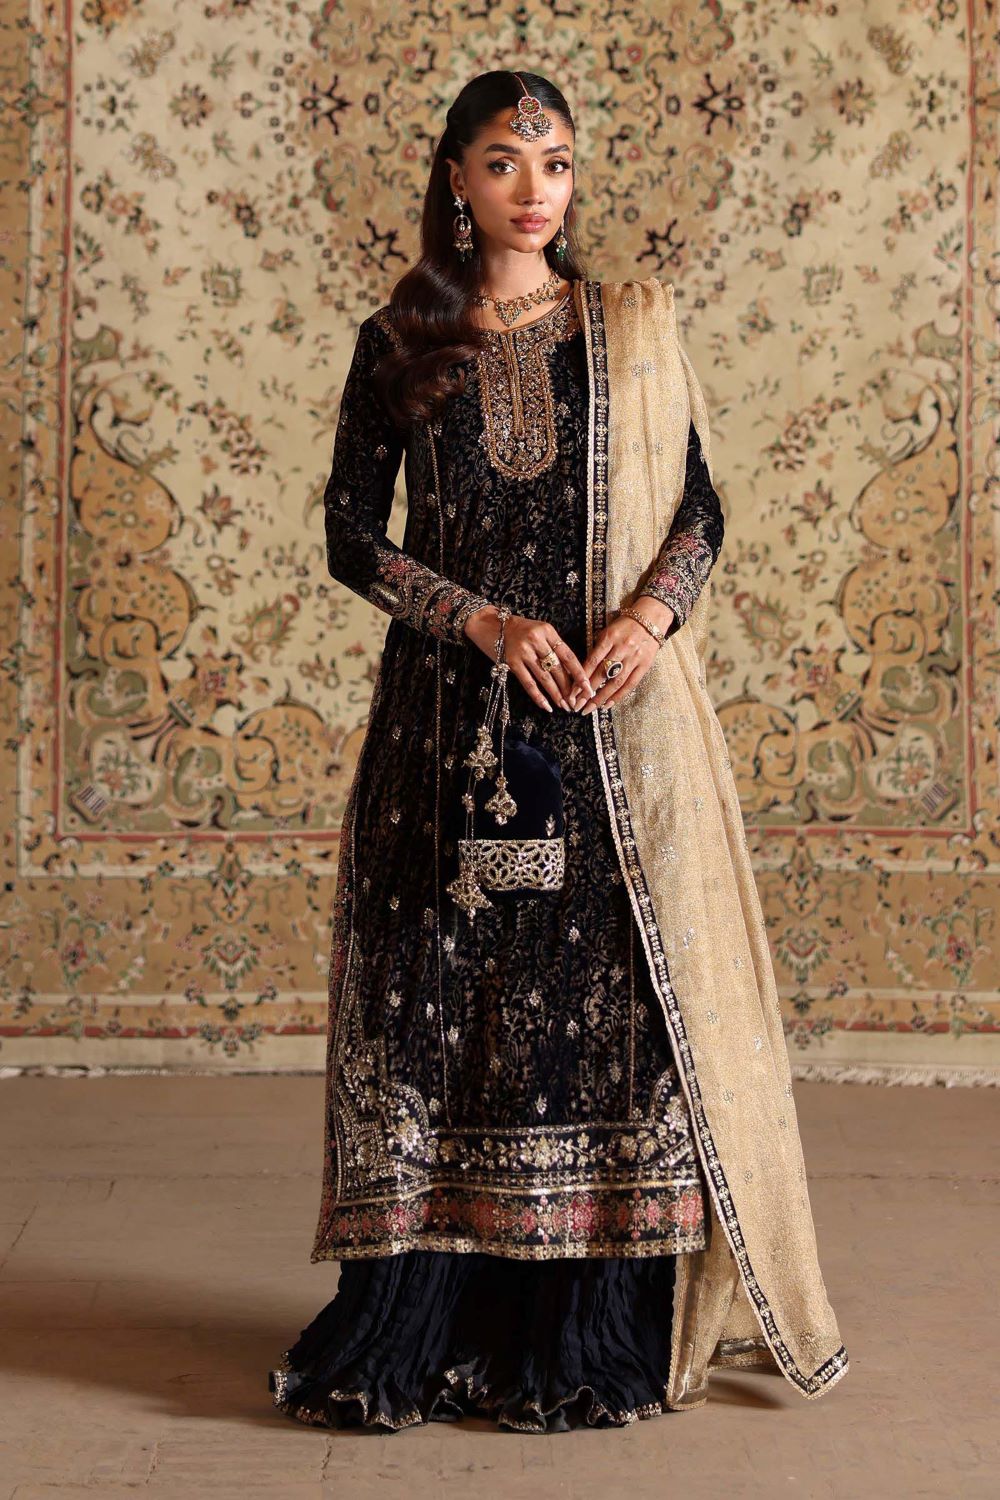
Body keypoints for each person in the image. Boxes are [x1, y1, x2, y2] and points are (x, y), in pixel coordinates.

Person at [268, 69, 848, 1433]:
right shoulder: (400, 340)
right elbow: (351, 534)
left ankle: (579, 1336)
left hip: (603, 729)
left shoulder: (624, 334)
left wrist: (650, 620)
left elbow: (699, 506)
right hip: (445, 732)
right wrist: (477, 620)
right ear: (456, 180)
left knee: (599, 1022)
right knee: (440, 1013)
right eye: (504, 162)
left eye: (558, 163)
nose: (536, 189)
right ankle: (416, 1327)